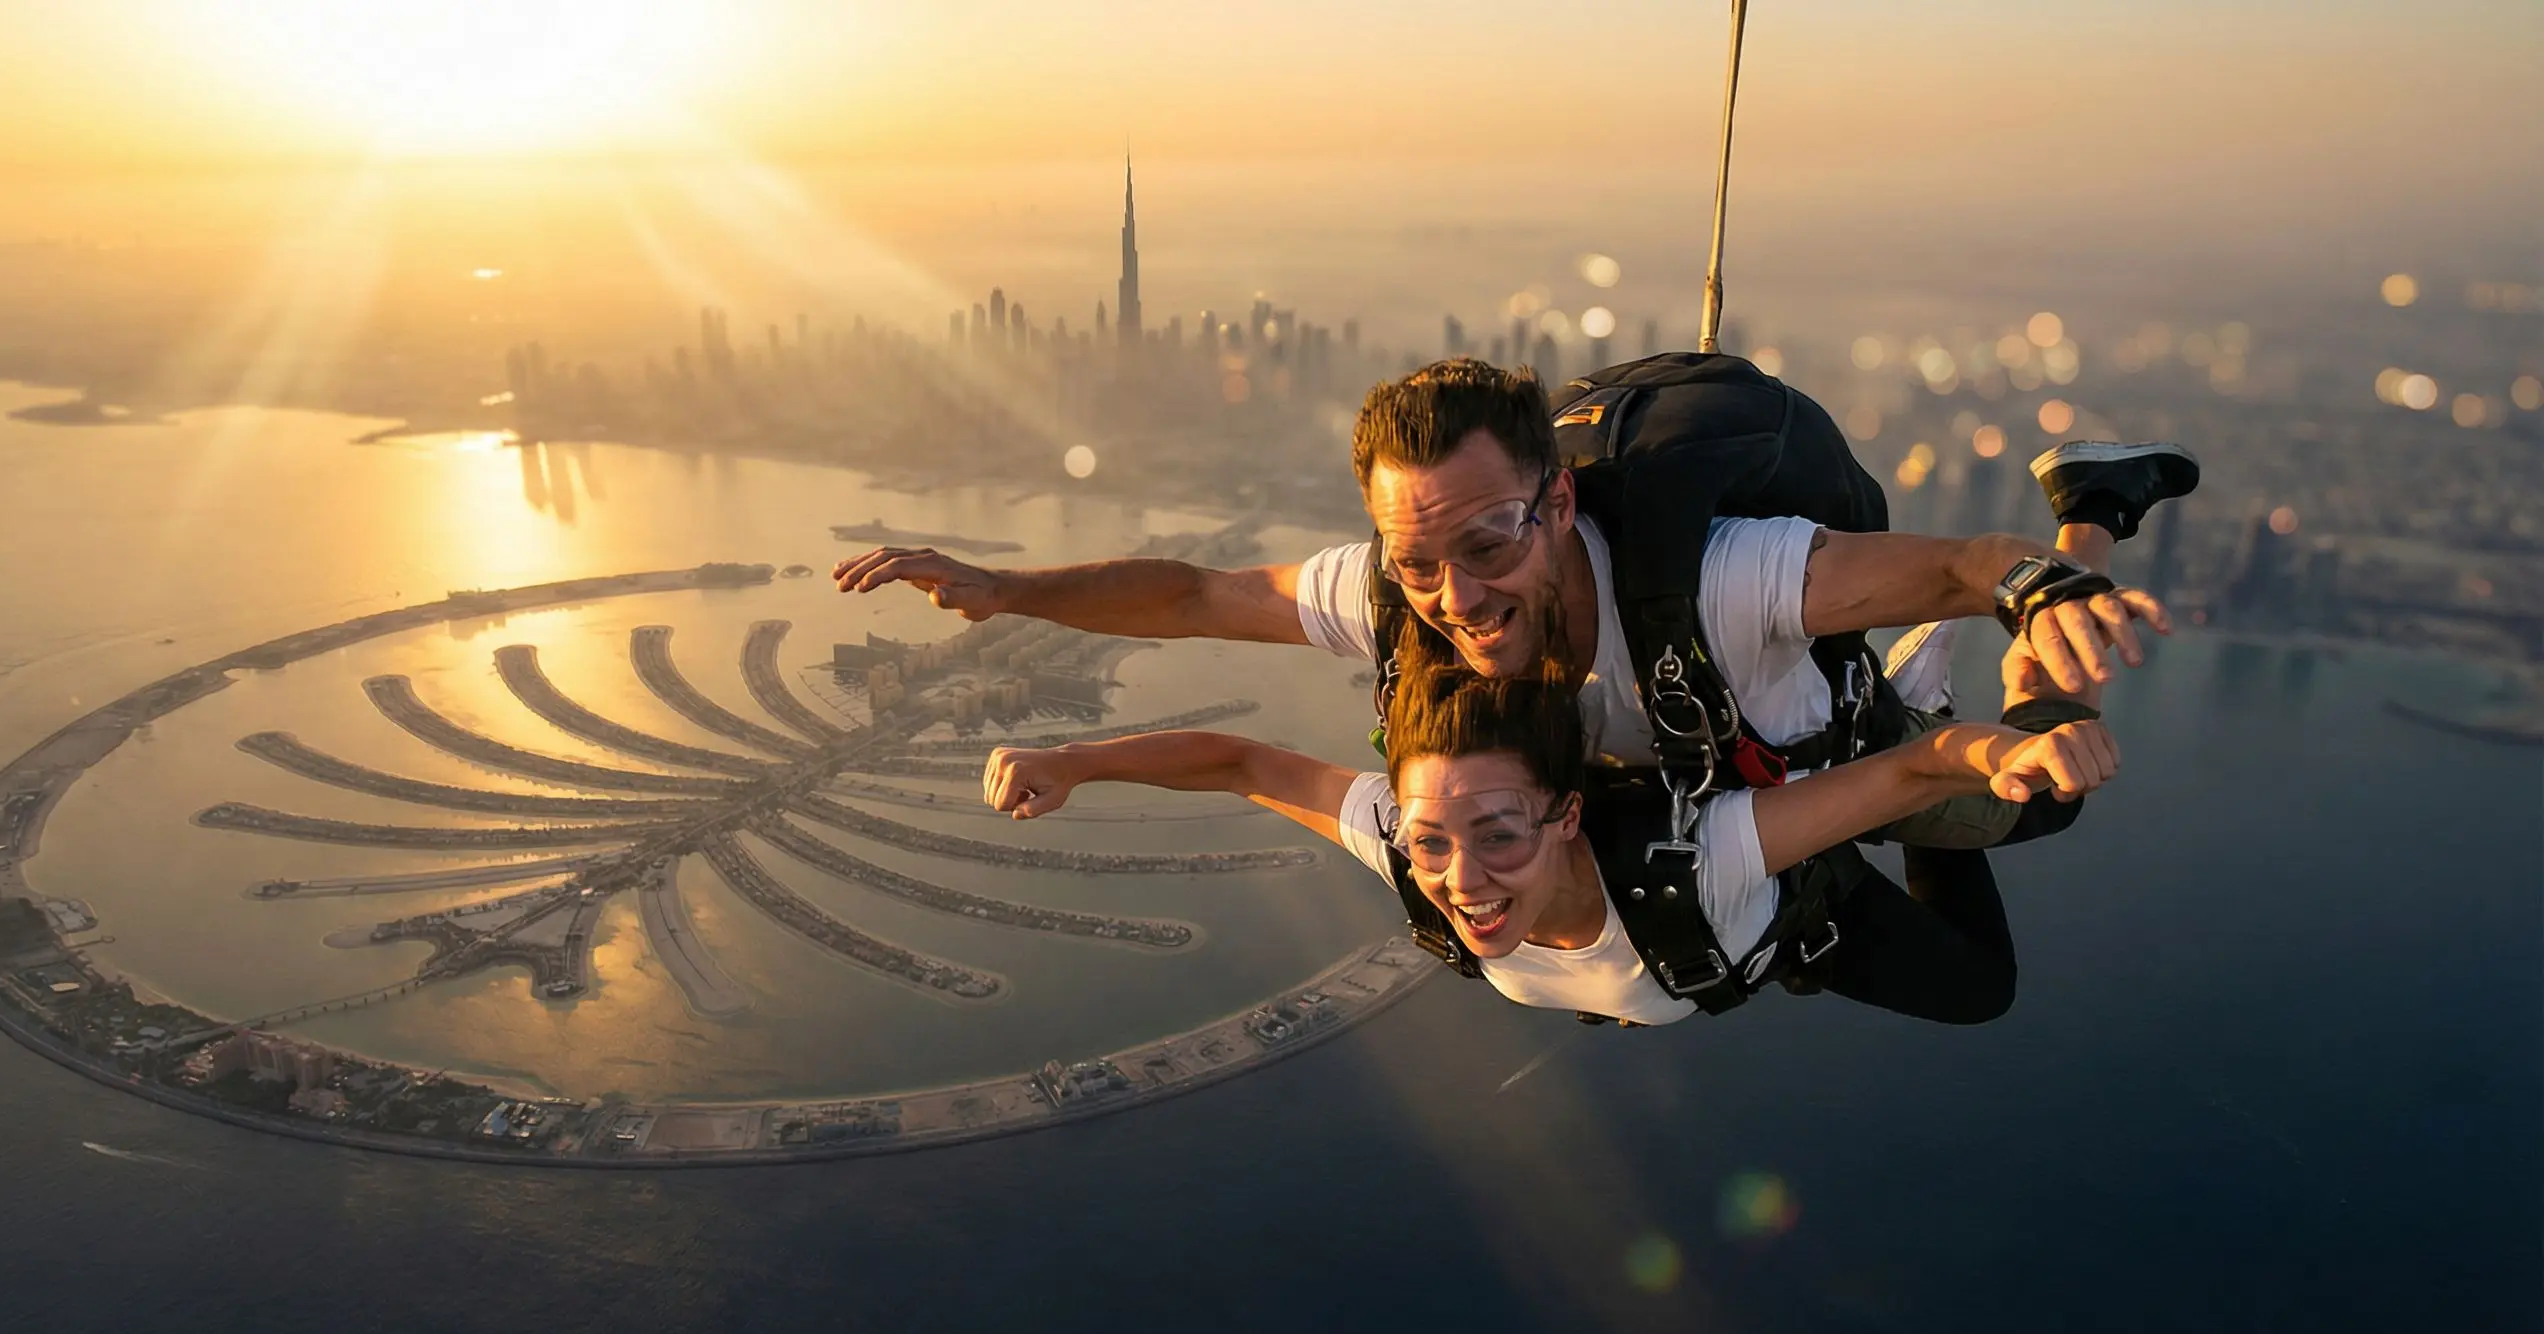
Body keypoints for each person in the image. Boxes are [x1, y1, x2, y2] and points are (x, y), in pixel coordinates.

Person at [836, 357, 2192, 849]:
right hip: (1729, 765)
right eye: (1415, 560)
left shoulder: (1724, 573)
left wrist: (2042, 574)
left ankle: (2095, 494)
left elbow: (1958, 566)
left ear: (1554, 504)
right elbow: (1194, 592)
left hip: (1818, 736)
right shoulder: (1401, 591)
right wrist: (1005, 587)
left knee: (2018, 802)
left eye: (1484, 543)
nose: (1452, 598)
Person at [980, 659, 2119, 1027]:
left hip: (1794, 896)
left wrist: (1981, 761)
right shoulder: (1415, 845)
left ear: (1567, 815)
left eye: (1499, 835)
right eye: (1432, 841)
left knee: (1992, 937)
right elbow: (1240, 763)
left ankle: (2067, 543)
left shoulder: (1704, 853)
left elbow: (1910, 778)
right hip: (1737, 946)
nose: (1463, 880)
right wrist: (1075, 764)